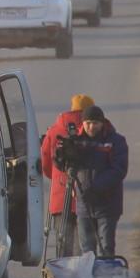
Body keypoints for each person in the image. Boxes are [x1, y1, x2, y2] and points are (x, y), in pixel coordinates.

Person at [41, 93, 95, 257]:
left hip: (60, 195)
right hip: (86, 196)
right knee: (84, 246)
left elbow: (45, 160)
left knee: (63, 243)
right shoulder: (93, 128)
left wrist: (57, 178)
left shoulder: (55, 130)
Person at [72, 104, 128, 258]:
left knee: (106, 248)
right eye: (88, 123)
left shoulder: (116, 141)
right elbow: (67, 168)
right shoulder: (76, 142)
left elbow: (119, 170)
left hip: (108, 205)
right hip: (84, 205)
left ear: (102, 123)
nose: (91, 127)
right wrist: (62, 158)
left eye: (95, 123)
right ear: (83, 123)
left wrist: (96, 188)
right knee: (87, 251)